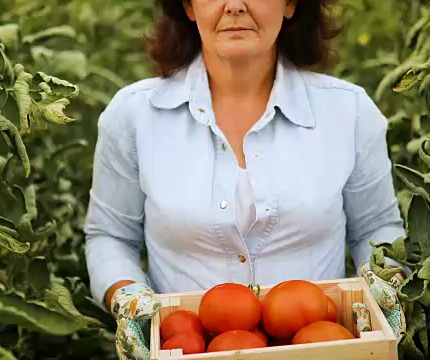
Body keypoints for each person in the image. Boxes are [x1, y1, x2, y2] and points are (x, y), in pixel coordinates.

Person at [84, 0, 408, 358]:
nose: (235, 5)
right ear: (189, 7)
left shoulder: (349, 113)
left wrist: (384, 285)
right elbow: (110, 236)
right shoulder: (133, 116)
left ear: (290, 5)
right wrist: (127, 298)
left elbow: (377, 229)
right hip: (187, 349)